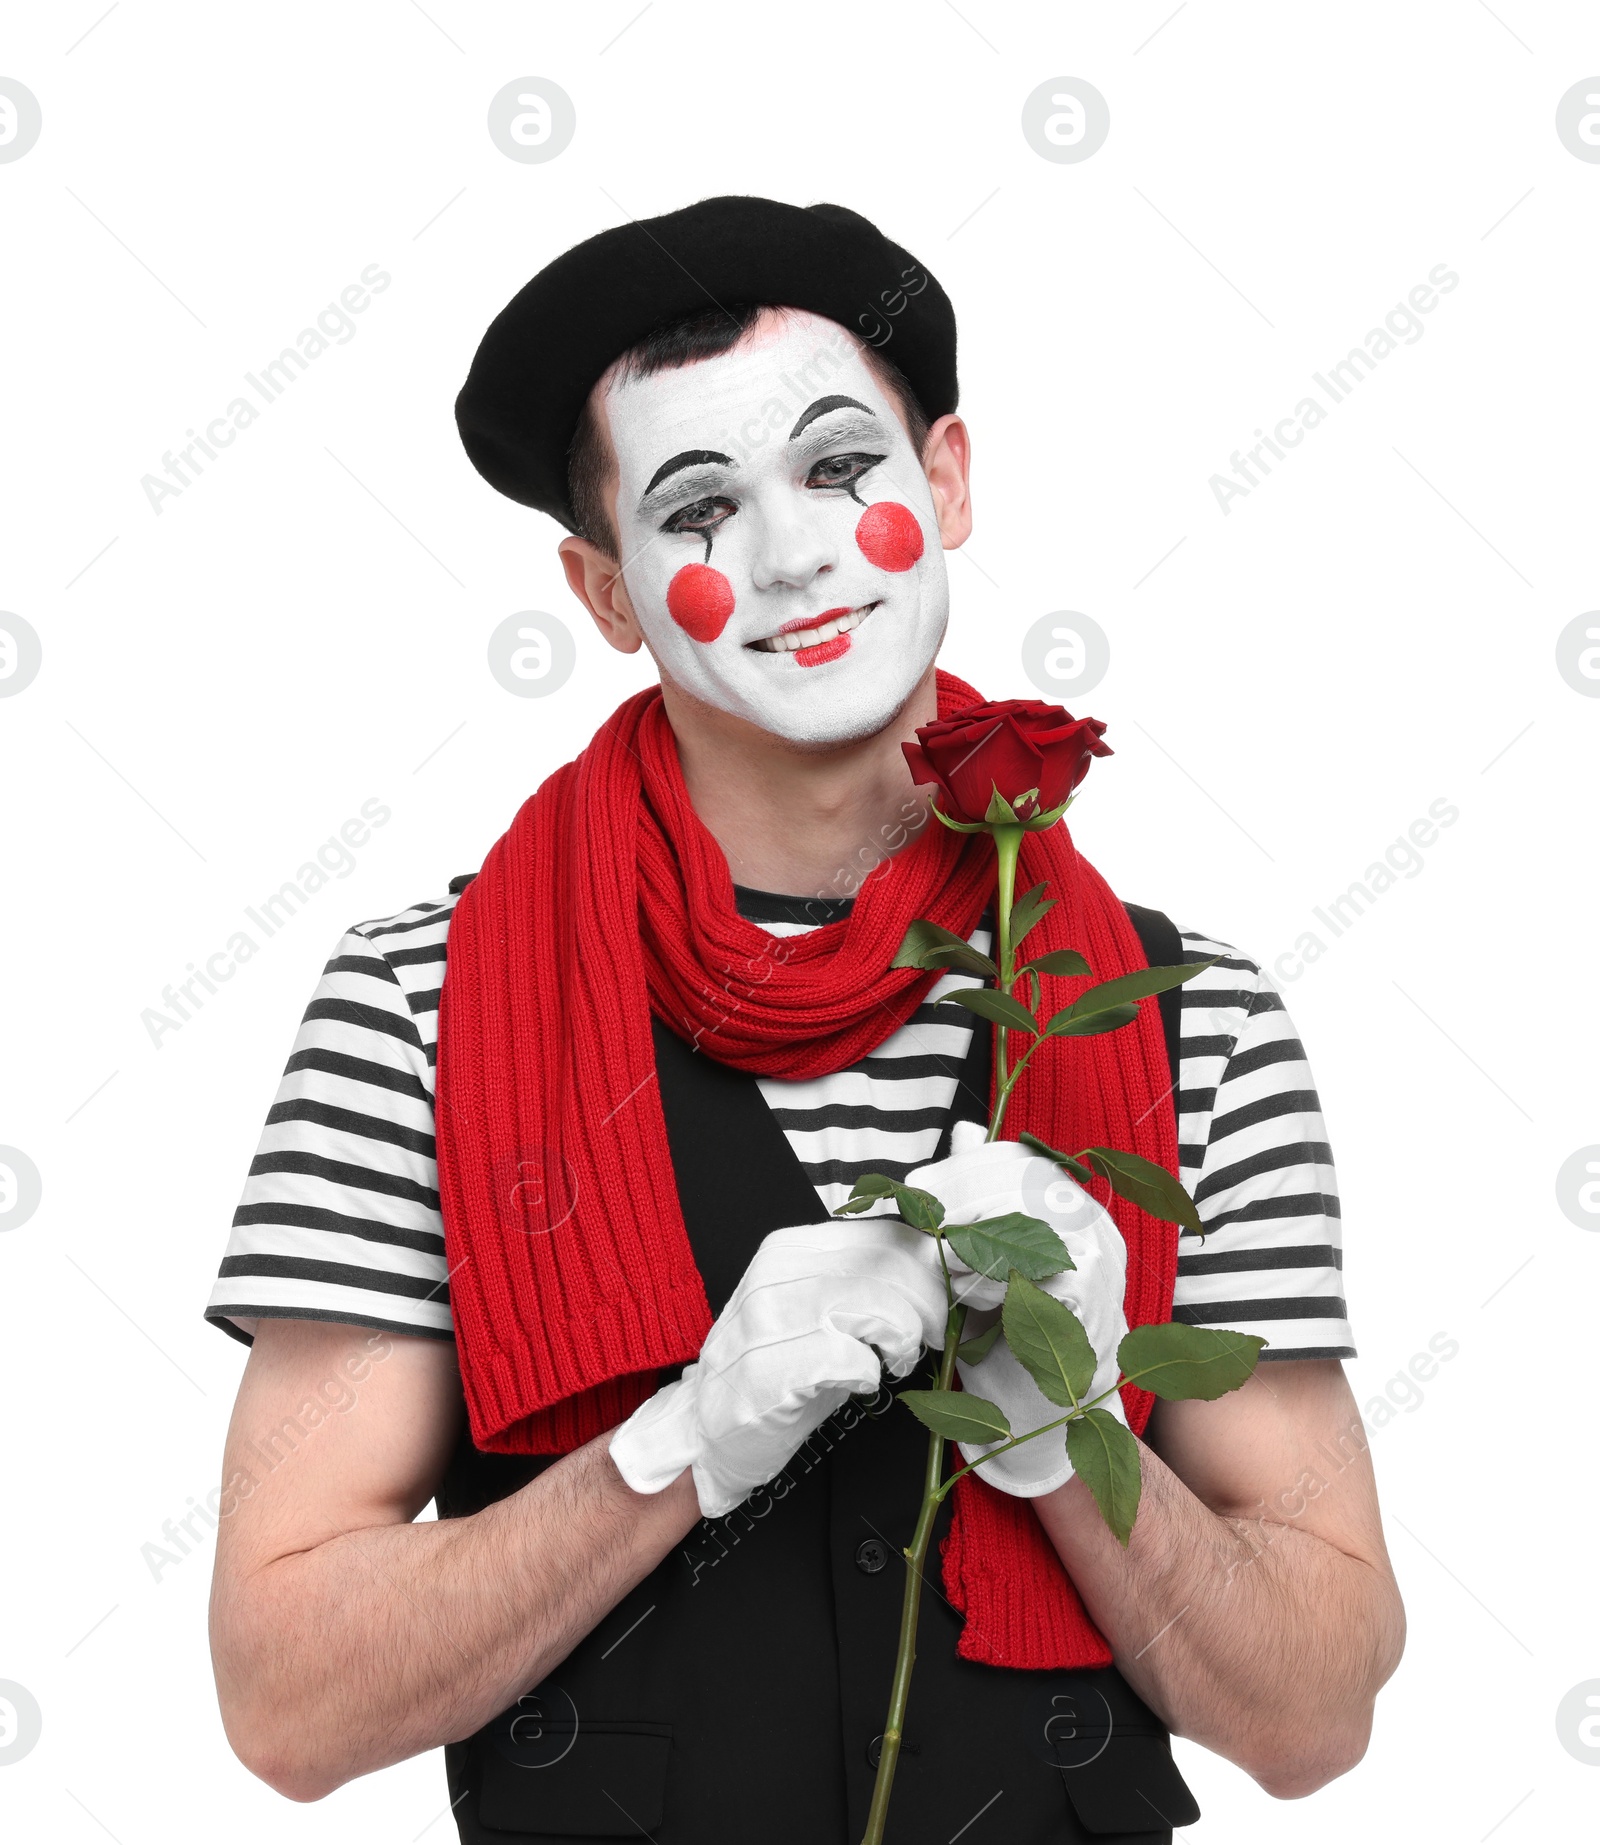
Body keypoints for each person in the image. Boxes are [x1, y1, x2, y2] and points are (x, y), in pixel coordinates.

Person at [204, 196, 1404, 1844]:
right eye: (699, 507)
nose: (791, 554)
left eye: (843, 469)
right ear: (608, 588)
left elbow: (1318, 1705)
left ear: (952, 481)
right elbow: (284, 1697)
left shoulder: (1200, 1025)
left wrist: (1070, 1443)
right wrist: (677, 1442)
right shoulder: (413, 1005)